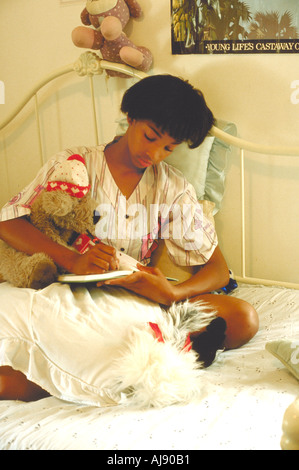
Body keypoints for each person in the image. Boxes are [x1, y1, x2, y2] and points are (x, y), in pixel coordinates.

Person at [0, 75, 259, 401]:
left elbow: (218, 271)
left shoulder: (173, 188)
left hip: (132, 299)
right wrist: (73, 260)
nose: (155, 154)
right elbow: (9, 223)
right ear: (131, 117)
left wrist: (172, 292)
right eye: (150, 137)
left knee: (243, 318)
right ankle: (34, 379)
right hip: (61, 290)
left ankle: (51, 376)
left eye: (169, 147)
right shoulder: (76, 164)